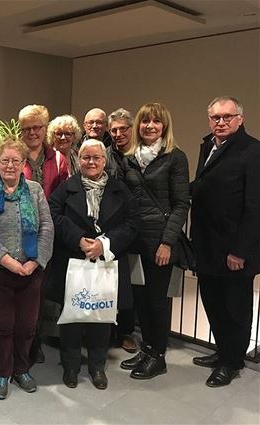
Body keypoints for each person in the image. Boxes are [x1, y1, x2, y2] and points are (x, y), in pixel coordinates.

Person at [49, 139, 139, 390]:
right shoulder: (66, 188)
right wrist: (79, 240)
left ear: (104, 161)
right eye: (86, 157)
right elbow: (53, 216)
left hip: (107, 261)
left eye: (96, 158)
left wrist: (104, 244)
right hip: (73, 260)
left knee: (102, 317)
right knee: (72, 318)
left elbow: (132, 223)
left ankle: (97, 367)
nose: (91, 162)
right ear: (78, 160)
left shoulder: (119, 189)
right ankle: (70, 366)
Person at [0, 137, 54, 400]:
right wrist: (7, 260)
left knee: (27, 325)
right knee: (2, 325)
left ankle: (21, 369)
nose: (9, 165)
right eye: (4, 160)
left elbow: (47, 228)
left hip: (31, 271)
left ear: (23, 164)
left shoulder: (35, 190)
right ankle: (1, 373)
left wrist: (34, 261)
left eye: (15, 160)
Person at [190, 96, 260, 387]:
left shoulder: (252, 151)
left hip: (233, 250)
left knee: (236, 308)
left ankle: (231, 362)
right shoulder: (208, 145)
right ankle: (222, 351)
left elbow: (255, 206)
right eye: (215, 117)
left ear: (240, 119)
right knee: (213, 303)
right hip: (206, 245)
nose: (221, 122)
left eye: (227, 117)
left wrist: (240, 251)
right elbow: (203, 185)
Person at [121, 103, 190, 379]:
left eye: (156, 122)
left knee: (157, 300)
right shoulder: (129, 158)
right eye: (145, 121)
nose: (150, 126)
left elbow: (181, 204)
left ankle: (158, 355)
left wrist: (167, 242)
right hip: (135, 241)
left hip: (160, 241)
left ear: (164, 126)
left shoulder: (176, 157)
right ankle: (147, 348)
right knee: (140, 298)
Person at [18, 104, 68, 363]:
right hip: (18, 237)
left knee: (39, 294)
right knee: (20, 292)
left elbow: (63, 200)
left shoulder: (58, 159)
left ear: (45, 128)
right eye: (26, 128)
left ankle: (34, 343)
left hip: (47, 236)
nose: (32, 133)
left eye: (37, 127)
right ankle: (17, 345)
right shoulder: (14, 156)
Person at [106, 108, 137, 353]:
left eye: (122, 129)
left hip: (135, 225)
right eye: (113, 130)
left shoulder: (140, 155)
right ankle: (106, 330)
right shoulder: (106, 155)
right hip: (110, 227)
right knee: (109, 282)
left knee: (129, 284)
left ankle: (126, 331)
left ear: (131, 128)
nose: (118, 134)